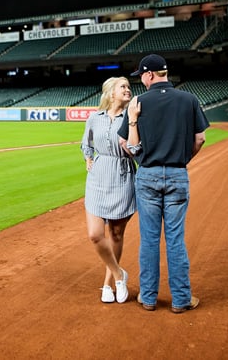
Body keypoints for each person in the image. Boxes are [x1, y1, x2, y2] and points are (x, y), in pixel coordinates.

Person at [118, 54, 209, 313]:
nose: (141, 82)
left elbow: (127, 145)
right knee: (175, 239)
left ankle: (148, 298)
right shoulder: (188, 99)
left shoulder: (138, 102)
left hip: (147, 174)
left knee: (149, 239)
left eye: (142, 77)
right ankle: (181, 300)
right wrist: (182, 160)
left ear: (149, 75)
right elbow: (200, 138)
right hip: (178, 174)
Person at [80, 76, 137, 303]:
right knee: (95, 234)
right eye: (122, 86)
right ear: (111, 92)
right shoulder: (94, 118)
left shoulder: (133, 117)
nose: (127, 89)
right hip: (98, 175)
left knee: (115, 233)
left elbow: (137, 148)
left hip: (123, 174)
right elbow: (87, 142)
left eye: (129, 87)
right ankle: (118, 273)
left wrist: (131, 143)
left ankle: (108, 285)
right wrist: (87, 158)